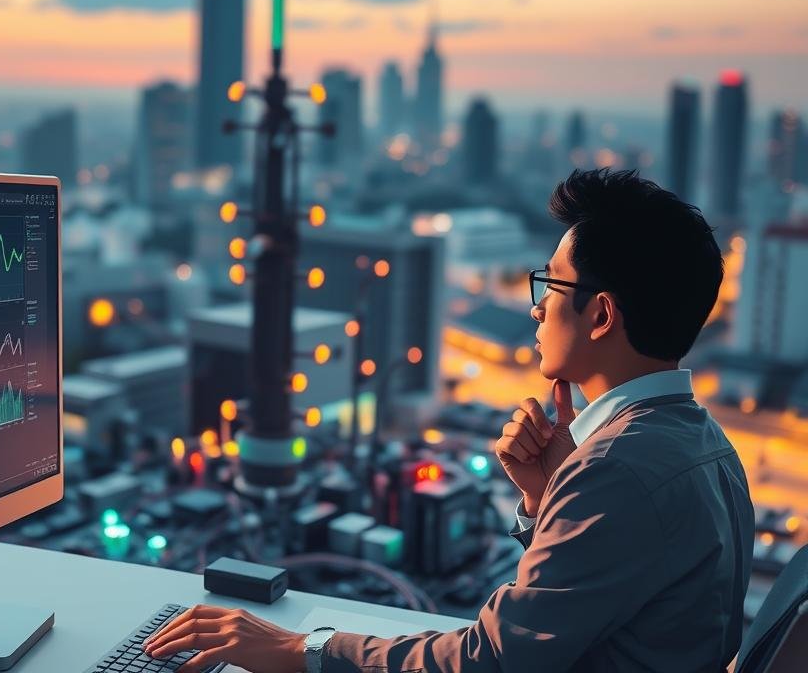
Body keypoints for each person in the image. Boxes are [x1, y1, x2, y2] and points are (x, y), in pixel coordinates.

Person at [144, 169, 755, 672]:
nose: (537, 307)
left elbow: (490, 661)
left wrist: (301, 650)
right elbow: (586, 618)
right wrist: (546, 499)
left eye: (549, 284)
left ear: (600, 315)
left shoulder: (615, 470)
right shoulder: (710, 447)